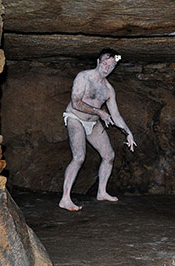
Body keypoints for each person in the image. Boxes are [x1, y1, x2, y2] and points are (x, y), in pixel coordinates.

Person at [59, 48, 136, 211]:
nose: (108, 68)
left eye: (112, 66)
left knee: (109, 155)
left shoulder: (108, 89)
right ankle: (65, 199)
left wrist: (128, 132)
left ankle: (102, 192)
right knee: (79, 156)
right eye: (106, 63)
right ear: (98, 62)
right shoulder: (84, 77)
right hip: (75, 118)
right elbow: (76, 103)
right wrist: (100, 112)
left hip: (93, 123)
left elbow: (115, 115)